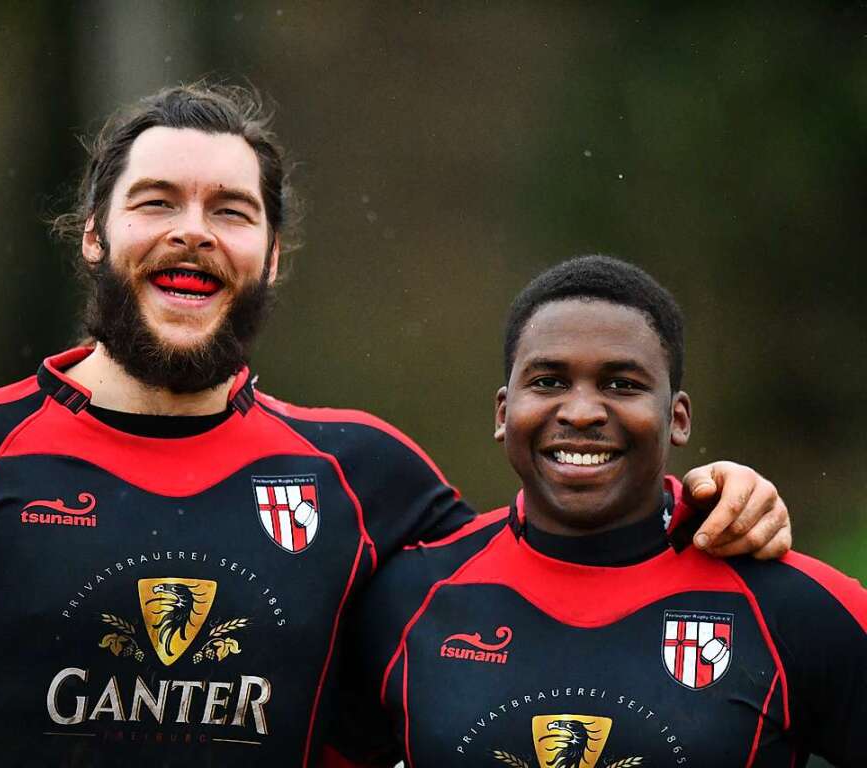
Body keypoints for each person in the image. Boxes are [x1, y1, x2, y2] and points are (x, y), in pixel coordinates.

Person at [0, 86, 790, 768]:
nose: (194, 231)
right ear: (94, 235)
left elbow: (555, 570)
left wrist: (706, 497)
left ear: (271, 256)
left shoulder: (365, 474)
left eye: (232, 211)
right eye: (156, 203)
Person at [336, 255, 866, 767]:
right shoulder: (407, 600)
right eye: (549, 382)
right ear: (503, 412)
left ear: (677, 419)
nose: (583, 412)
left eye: (622, 384)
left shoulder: (793, 607)